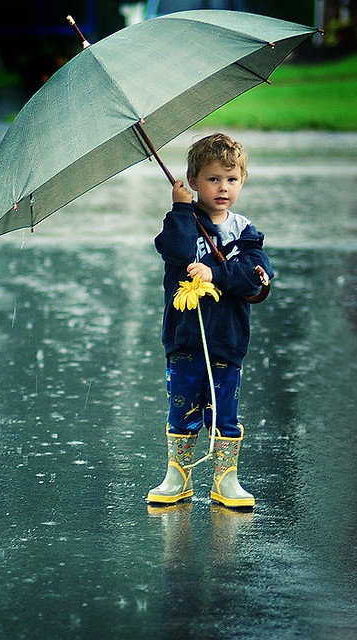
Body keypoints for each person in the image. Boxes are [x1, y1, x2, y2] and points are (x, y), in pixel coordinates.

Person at [147, 132, 274, 509]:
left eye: (231, 179)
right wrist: (181, 210)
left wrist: (216, 275)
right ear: (193, 181)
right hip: (185, 339)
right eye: (213, 179)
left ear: (242, 181)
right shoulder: (181, 223)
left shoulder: (244, 232)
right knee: (182, 405)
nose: (223, 188)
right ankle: (178, 477)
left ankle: (225, 478)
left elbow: (257, 275)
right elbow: (176, 250)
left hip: (227, 340)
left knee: (224, 409)